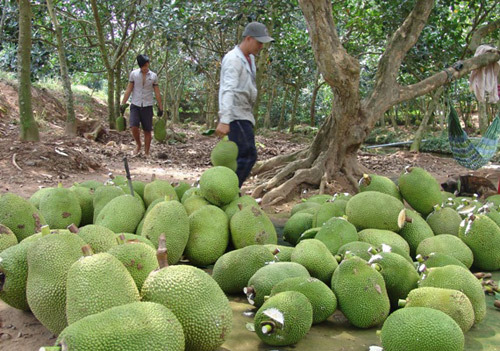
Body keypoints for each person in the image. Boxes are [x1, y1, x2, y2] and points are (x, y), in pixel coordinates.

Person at [215, 22, 274, 188]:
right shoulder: (233, 60)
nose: (261, 46)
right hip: (235, 114)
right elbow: (228, 89)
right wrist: (225, 119)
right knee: (248, 155)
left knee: (240, 156)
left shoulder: (250, 59)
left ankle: (224, 189)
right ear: (248, 38)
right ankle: (227, 190)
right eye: (259, 42)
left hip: (244, 113)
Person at [121, 54, 163, 157]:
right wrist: (122, 103)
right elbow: (129, 89)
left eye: (146, 65)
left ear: (148, 64)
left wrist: (160, 107)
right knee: (133, 126)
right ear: (140, 66)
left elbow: (157, 92)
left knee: (147, 130)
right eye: (143, 66)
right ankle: (138, 145)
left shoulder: (153, 76)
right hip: (135, 104)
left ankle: (147, 152)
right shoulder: (134, 74)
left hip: (148, 105)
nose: (145, 68)